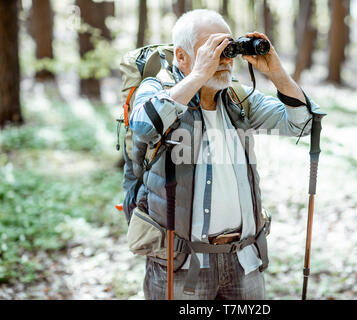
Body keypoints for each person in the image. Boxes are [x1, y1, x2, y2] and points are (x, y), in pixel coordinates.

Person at [128, 9, 319, 300]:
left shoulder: (236, 98)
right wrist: (197, 75)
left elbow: (303, 123)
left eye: (228, 48)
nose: (224, 59)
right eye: (212, 50)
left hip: (243, 261)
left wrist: (277, 73)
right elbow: (142, 126)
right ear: (181, 56)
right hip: (182, 264)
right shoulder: (158, 88)